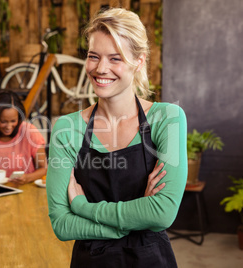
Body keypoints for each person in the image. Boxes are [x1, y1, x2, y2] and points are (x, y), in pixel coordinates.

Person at [46, 8, 187, 268]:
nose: (101, 68)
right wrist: (130, 222)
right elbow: (63, 225)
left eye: (115, 58)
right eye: (93, 56)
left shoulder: (167, 118)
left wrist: (82, 206)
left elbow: (162, 213)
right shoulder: (67, 128)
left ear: (139, 61)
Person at [0, 90, 47, 184]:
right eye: (3, 122)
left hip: (25, 189)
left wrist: (28, 178)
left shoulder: (29, 132)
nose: (9, 127)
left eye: (13, 121)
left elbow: (44, 169)